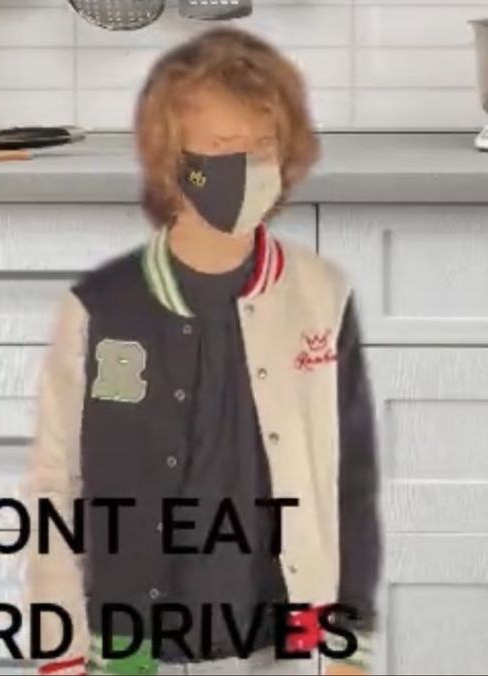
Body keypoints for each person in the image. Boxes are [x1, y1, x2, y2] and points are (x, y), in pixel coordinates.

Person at [23, 26, 382, 676]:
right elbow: (54, 486)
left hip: (285, 640)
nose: (245, 169)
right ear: (173, 161)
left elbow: (350, 481)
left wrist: (346, 640)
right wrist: (60, 649)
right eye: (221, 148)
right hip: (129, 642)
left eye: (262, 147)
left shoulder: (321, 299)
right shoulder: (101, 307)